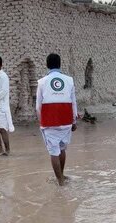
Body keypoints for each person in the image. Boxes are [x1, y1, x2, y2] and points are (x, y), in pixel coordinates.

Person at [36, 53, 78, 186]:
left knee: (54, 151)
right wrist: (74, 121)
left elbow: (38, 106)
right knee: (62, 149)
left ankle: (59, 181)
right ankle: (62, 174)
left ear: (47, 65)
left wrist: (41, 121)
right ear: (60, 64)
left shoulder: (42, 82)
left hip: (49, 121)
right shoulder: (69, 80)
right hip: (66, 121)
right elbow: (73, 102)